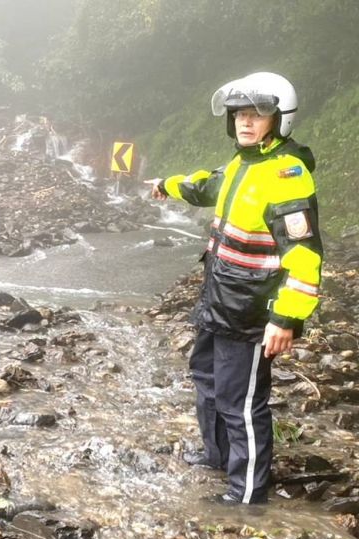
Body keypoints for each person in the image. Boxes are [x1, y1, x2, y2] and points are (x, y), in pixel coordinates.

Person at [146, 72, 323, 505]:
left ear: (279, 119)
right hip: (219, 296)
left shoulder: (285, 174)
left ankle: (247, 493)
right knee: (205, 376)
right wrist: (167, 185)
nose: (246, 122)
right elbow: (207, 185)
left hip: (250, 307)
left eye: (257, 114)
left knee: (240, 400)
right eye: (240, 114)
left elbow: (305, 254)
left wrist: (286, 318)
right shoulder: (243, 164)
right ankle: (218, 456)